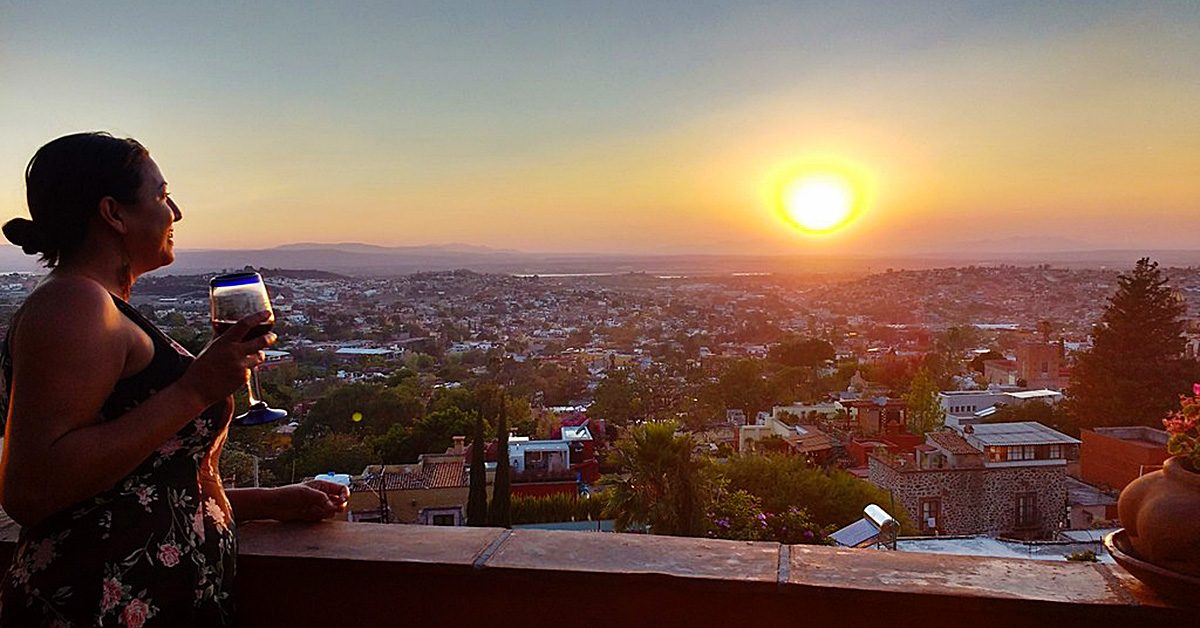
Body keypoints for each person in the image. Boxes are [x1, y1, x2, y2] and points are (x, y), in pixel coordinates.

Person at [0, 132, 350, 626]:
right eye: (162, 197)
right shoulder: (74, 304)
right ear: (113, 214)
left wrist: (272, 501)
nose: (176, 213)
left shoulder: (101, 306)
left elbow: (139, 485)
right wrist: (194, 389)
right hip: (99, 603)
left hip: (146, 597)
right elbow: (32, 490)